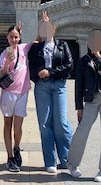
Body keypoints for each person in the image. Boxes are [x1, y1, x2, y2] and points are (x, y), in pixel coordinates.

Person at [67, 29, 101, 183]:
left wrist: (99, 57)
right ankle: (72, 163)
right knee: (82, 130)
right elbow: (78, 86)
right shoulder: (83, 61)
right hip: (91, 99)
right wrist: (79, 107)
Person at [28, 11, 73, 173]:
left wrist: (50, 71)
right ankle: (50, 161)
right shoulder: (35, 47)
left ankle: (68, 158)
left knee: (61, 122)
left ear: (54, 30)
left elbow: (69, 65)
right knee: (45, 123)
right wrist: (38, 75)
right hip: (42, 86)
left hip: (59, 85)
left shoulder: (63, 45)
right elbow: (29, 64)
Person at [0, 22, 38, 172]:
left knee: (18, 126)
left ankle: (16, 148)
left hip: (22, 92)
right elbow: (2, 74)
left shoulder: (24, 48)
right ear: (7, 38)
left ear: (20, 38)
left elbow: (37, 41)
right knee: (8, 124)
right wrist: (7, 63)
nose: (13, 40)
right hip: (9, 93)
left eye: (16, 37)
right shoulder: (5, 53)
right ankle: (9, 156)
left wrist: (45, 25)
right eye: (11, 37)